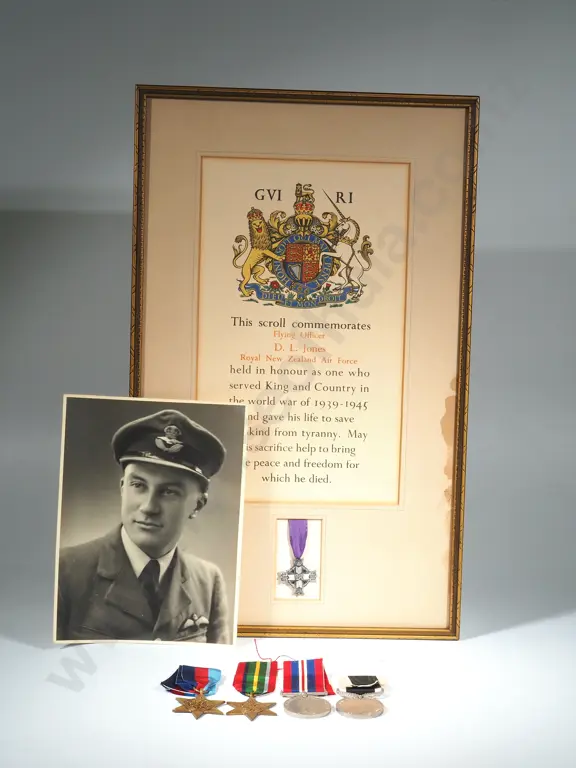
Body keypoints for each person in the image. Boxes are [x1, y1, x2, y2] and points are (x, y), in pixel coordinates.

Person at [56, 408, 231, 644]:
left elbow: (218, 662)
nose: (148, 507)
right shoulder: (65, 571)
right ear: (122, 488)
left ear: (198, 505)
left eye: (169, 492)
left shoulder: (208, 581)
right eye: (138, 485)